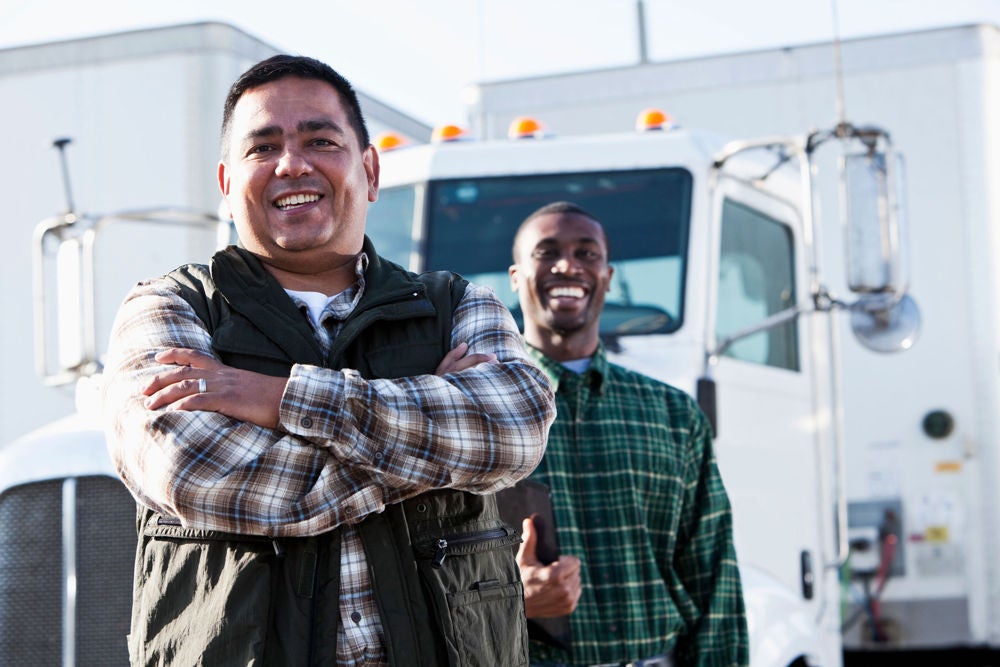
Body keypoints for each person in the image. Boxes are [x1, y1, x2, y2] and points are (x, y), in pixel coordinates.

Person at [102, 54, 555, 667]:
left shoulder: (458, 305)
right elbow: (192, 470)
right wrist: (429, 443)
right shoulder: (168, 307)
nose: (292, 163)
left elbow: (515, 428)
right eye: (263, 148)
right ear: (227, 185)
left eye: (320, 139)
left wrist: (277, 399)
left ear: (368, 169)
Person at [508, 201, 748, 667]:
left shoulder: (673, 414)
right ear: (516, 277)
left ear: (608, 277)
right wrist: (512, 597)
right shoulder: (476, 412)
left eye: (586, 253)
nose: (567, 266)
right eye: (547, 251)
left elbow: (713, 572)